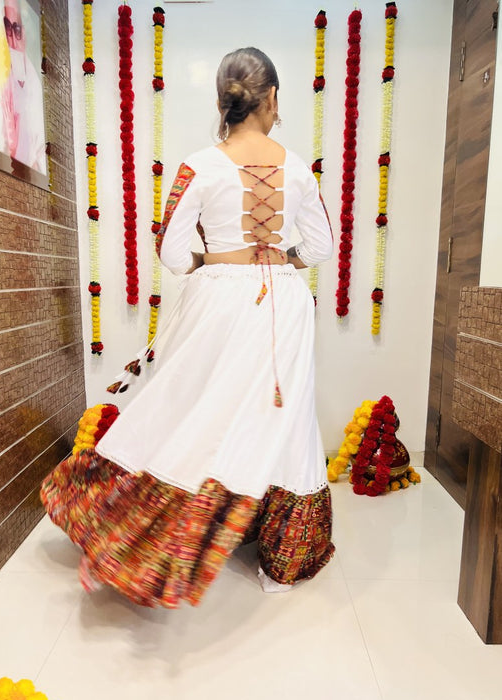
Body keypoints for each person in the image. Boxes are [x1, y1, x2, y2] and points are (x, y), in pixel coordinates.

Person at [41, 47, 335, 608]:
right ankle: (284, 559)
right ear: (272, 97)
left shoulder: (199, 165)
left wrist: (207, 261)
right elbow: (319, 247)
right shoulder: (298, 168)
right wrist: (284, 260)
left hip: (220, 298)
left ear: (224, 101)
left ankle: (140, 531)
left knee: (194, 408)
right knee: (287, 416)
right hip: (285, 302)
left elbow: (173, 253)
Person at [2, 0, 45, 173]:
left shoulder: (35, 85)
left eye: (17, 29)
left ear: (24, 33)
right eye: (7, 28)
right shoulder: (1, 77)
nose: (13, 39)